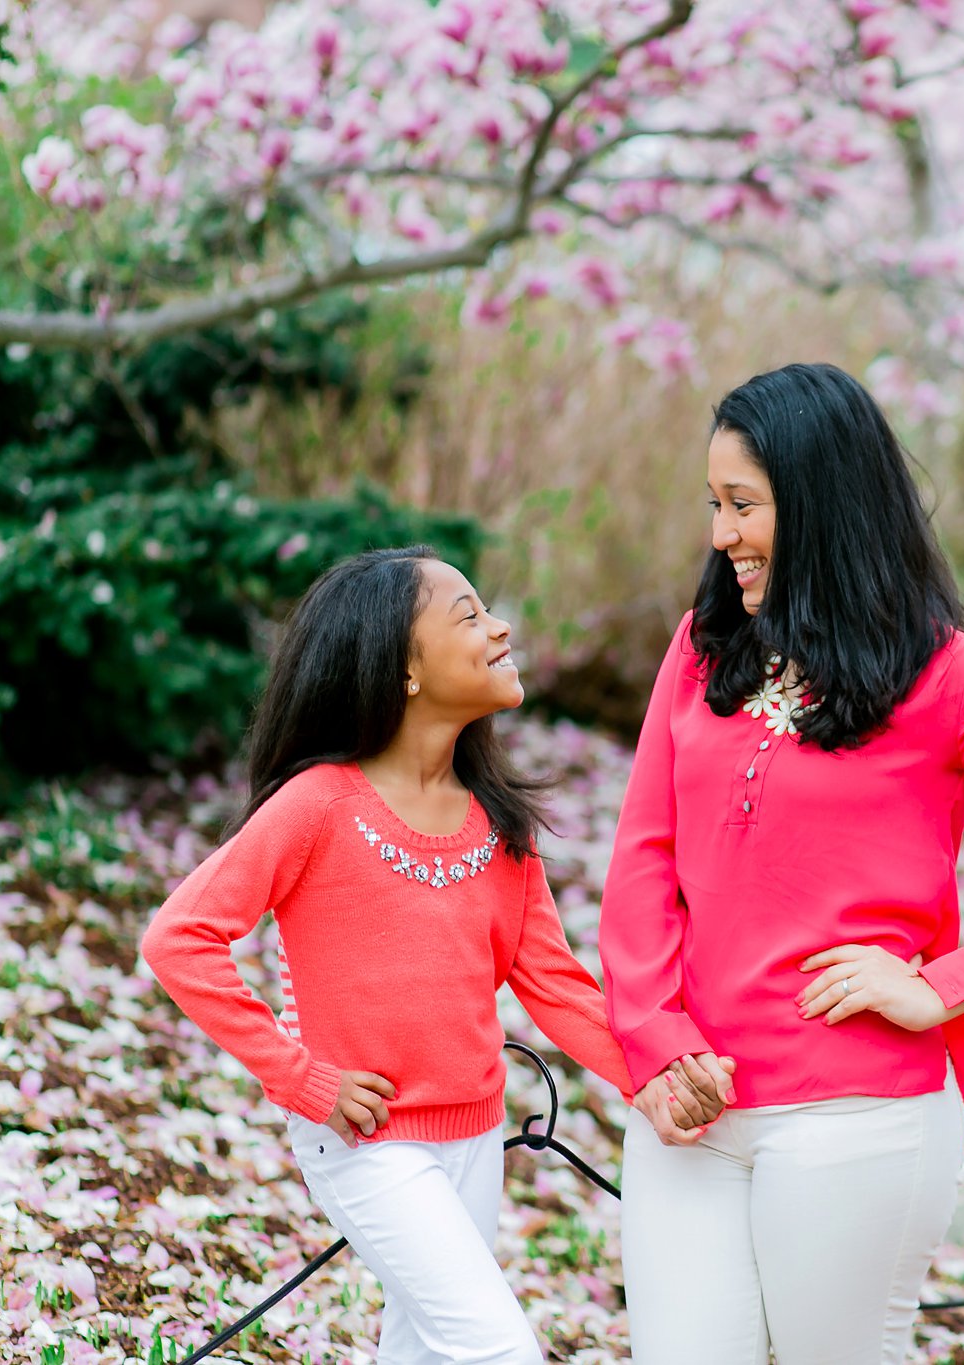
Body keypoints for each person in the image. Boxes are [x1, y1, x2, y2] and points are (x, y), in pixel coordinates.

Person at [601, 363, 964, 1364]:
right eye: (712, 504)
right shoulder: (702, 649)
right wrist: (658, 1045)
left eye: (743, 505)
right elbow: (642, 858)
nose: (719, 535)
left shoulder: (957, 676)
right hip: (690, 1112)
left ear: (822, 504)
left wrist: (947, 985)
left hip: (858, 1121)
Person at [142, 546, 723, 1365]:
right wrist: (301, 1076)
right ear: (401, 666)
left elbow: (557, 988)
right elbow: (180, 939)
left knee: (423, 1352)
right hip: (367, 1142)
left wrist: (653, 1075)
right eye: (470, 615)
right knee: (497, 1349)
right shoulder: (318, 805)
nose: (501, 627)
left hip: (475, 1134)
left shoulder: (499, 822)